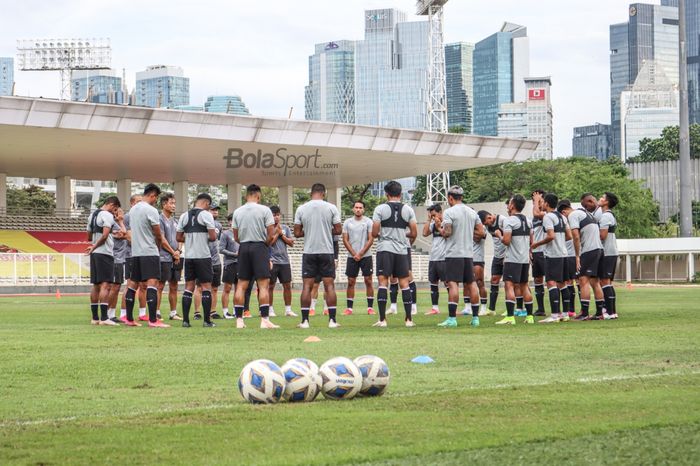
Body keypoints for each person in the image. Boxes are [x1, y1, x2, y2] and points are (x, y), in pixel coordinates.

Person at [294, 183, 342, 328]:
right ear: (324, 193)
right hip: (326, 251)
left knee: (307, 287)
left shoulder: (301, 208)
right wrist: (326, 230)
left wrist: (308, 231)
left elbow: (296, 233)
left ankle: (304, 321)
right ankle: (332, 321)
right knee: (329, 286)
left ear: (311, 193)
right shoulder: (331, 207)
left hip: (309, 252)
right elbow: (338, 230)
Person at [371, 180, 418, 328]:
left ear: (386, 194)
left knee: (383, 283)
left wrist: (385, 235)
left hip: (385, 249)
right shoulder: (408, 210)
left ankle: (382, 320)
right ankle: (409, 319)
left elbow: (374, 232)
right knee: (404, 283)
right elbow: (414, 232)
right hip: (401, 250)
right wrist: (404, 240)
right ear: (400, 194)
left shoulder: (380, 209)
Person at [124, 184, 170, 328]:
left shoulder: (132, 210)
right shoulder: (151, 210)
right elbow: (157, 233)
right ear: (153, 195)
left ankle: (130, 319)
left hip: (136, 252)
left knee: (132, 284)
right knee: (153, 284)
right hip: (149, 251)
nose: (155, 201)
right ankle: (153, 320)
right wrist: (158, 244)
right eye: (156, 198)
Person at [437, 186, 484, 328]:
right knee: (471, 284)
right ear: (461, 197)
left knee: (453, 284)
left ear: (450, 198)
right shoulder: (472, 212)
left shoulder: (449, 212)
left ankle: (452, 319)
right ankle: (475, 318)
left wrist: (440, 229)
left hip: (454, 253)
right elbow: (481, 231)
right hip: (469, 254)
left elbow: (448, 232)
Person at [232, 184, 277, 329]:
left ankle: (239, 320)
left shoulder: (238, 212)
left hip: (244, 247)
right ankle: (264, 320)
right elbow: (271, 234)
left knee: (241, 285)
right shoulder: (265, 210)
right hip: (259, 247)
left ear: (246, 196)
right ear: (258, 196)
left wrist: (246, 243)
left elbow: (236, 237)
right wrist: (264, 245)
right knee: (263, 285)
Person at [176, 193, 218, 327]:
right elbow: (212, 237)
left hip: (189, 257)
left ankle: (185, 321)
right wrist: (202, 237)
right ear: (207, 203)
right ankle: (207, 321)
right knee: (206, 287)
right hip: (203, 256)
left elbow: (178, 237)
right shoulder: (207, 215)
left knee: (189, 287)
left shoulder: (183, 215)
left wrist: (190, 238)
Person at [530, 193, 572, 323]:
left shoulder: (548, 217)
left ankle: (554, 315)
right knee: (563, 284)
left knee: (551, 283)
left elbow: (550, 236)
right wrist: (559, 241)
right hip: (563, 253)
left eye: (542, 202)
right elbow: (569, 236)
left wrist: (537, 244)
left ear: (546, 204)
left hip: (553, 255)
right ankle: (565, 314)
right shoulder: (562, 217)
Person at [496, 194, 535, 325]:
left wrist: (499, 235)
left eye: (509, 203)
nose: (508, 206)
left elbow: (506, 241)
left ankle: (510, 317)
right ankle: (530, 316)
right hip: (524, 259)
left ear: (512, 205)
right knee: (525, 286)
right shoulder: (528, 221)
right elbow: (531, 241)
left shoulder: (509, 220)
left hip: (513, 259)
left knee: (509, 285)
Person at [567, 193, 605, 320]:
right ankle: (600, 313)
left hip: (589, 250)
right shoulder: (588, 214)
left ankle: (584, 313)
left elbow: (576, 237)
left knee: (583, 281)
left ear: (563, 211)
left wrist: (577, 255)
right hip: (599, 249)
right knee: (595, 282)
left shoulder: (573, 215)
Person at [86, 196, 121, 326]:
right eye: (115, 209)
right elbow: (106, 235)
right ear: (111, 205)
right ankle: (105, 317)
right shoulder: (107, 215)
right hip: (104, 253)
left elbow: (89, 236)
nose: (114, 212)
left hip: (95, 254)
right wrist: (96, 245)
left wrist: (94, 244)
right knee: (106, 285)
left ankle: (95, 318)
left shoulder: (92, 216)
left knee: (96, 285)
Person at [342, 200, 375, 316]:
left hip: (366, 256)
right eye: (356, 207)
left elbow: (371, 239)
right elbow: (345, 239)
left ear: (364, 209)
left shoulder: (368, 222)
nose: (358, 209)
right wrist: (354, 253)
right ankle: (349, 309)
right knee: (351, 281)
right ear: (353, 209)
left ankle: (370, 307)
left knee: (368, 281)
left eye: (360, 207)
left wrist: (360, 254)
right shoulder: (347, 222)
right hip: (352, 256)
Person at [119, 194, 147, 323]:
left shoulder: (142, 216)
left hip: (142, 255)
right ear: (131, 203)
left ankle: (142, 313)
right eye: (137, 201)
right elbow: (129, 238)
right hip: (131, 255)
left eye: (142, 201)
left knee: (144, 285)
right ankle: (124, 314)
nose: (140, 204)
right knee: (131, 285)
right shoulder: (128, 217)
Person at [194, 204, 223, 320]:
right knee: (200, 287)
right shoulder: (201, 223)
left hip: (215, 260)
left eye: (217, 210)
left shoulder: (219, 225)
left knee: (215, 288)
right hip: (202, 259)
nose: (215, 212)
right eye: (213, 210)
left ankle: (213, 311)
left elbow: (217, 241)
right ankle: (197, 312)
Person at [156, 192, 182, 321]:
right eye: (171, 203)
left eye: (174, 203)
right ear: (164, 204)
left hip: (176, 257)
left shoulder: (175, 221)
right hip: (163, 257)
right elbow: (161, 239)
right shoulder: (159, 219)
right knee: (160, 285)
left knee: (174, 285)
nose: (173, 206)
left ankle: (173, 313)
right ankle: (157, 312)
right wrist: (173, 252)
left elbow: (181, 238)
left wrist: (178, 251)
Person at [268, 205, 297, 317]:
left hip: (284, 261)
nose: (276, 217)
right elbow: (269, 243)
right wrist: (276, 234)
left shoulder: (285, 228)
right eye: (274, 215)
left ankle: (288, 310)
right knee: (271, 286)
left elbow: (291, 243)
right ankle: (270, 310)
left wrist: (282, 235)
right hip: (272, 261)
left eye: (278, 215)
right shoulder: (268, 228)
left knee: (287, 285)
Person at [479, 210, 507, 314]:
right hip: (497, 255)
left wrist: (508, 255)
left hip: (507, 255)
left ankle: (513, 308)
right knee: (494, 280)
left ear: (490, 217)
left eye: (486, 223)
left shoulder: (502, 220)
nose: (486, 225)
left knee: (509, 283)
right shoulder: (487, 225)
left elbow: (511, 236)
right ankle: (491, 309)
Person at [598, 192, 619, 319]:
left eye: (602, 197)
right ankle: (611, 311)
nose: (600, 199)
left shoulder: (605, 216)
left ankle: (609, 312)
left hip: (607, 252)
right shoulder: (609, 215)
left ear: (606, 202)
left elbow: (603, 236)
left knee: (605, 281)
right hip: (612, 251)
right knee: (607, 282)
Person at [423, 204, 446, 315]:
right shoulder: (432, 224)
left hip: (444, 258)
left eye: (434, 215)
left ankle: (453, 306)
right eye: (431, 216)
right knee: (433, 282)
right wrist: (428, 220)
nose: (433, 217)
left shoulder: (447, 223)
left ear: (440, 213)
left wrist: (439, 227)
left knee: (448, 283)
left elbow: (447, 235)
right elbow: (424, 233)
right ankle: (435, 308)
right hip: (433, 258)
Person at [557, 200, 578, 316]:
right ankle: (572, 310)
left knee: (569, 282)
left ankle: (571, 310)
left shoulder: (569, 220)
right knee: (573, 282)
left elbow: (571, 236)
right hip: (571, 254)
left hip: (570, 255)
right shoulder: (572, 219)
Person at [107, 207, 127, 323]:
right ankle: (108, 313)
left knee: (116, 287)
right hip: (115, 260)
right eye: (118, 212)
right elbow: (123, 233)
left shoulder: (116, 224)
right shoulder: (113, 224)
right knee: (113, 288)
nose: (120, 214)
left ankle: (112, 314)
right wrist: (120, 221)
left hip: (120, 260)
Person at [220, 213, 239, 319]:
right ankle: (225, 312)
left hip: (240, 264)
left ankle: (236, 310)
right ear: (229, 221)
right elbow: (221, 249)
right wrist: (234, 254)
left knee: (239, 288)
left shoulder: (241, 233)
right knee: (227, 288)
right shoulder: (225, 234)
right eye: (232, 220)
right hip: (230, 263)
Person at [531, 190, 547, 316]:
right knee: (537, 279)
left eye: (539, 200)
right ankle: (540, 309)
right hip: (536, 252)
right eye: (534, 201)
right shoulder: (535, 217)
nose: (536, 203)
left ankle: (562, 310)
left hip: (545, 252)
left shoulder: (545, 214)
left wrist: (537, 200)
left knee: (553, 280)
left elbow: (537, 213)